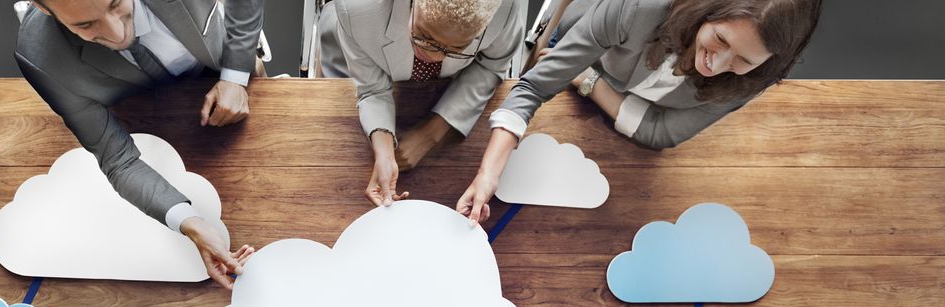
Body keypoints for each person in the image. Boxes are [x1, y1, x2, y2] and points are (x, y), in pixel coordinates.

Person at [458, 0, 822, 224]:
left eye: (743, 59)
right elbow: (534, 86)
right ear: (704, 8)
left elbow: (662, 134)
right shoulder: (639, 8)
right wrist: (488, 175)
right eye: (721, 40)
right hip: (579, 41)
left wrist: (587, 81)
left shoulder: (757, 74)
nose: (718, 63)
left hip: (592, 75)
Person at [16, 0, 265, 288]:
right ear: (44, 8)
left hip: (224, 68)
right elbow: (118, 160)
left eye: (116, 3)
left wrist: (235, 77)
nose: (116, 32)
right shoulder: (38, 56)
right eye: (85, 24)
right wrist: (190, 222)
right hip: (151, 128)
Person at [318, 0, 527, 207]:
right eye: (425, 37)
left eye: (457, 47)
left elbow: (491, 66)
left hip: (448, 86)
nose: (434, 56)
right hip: (355, 45)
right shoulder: (355, 7)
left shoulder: (506, 8)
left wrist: (428, 136)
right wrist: (384, 150)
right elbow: (372, 88)